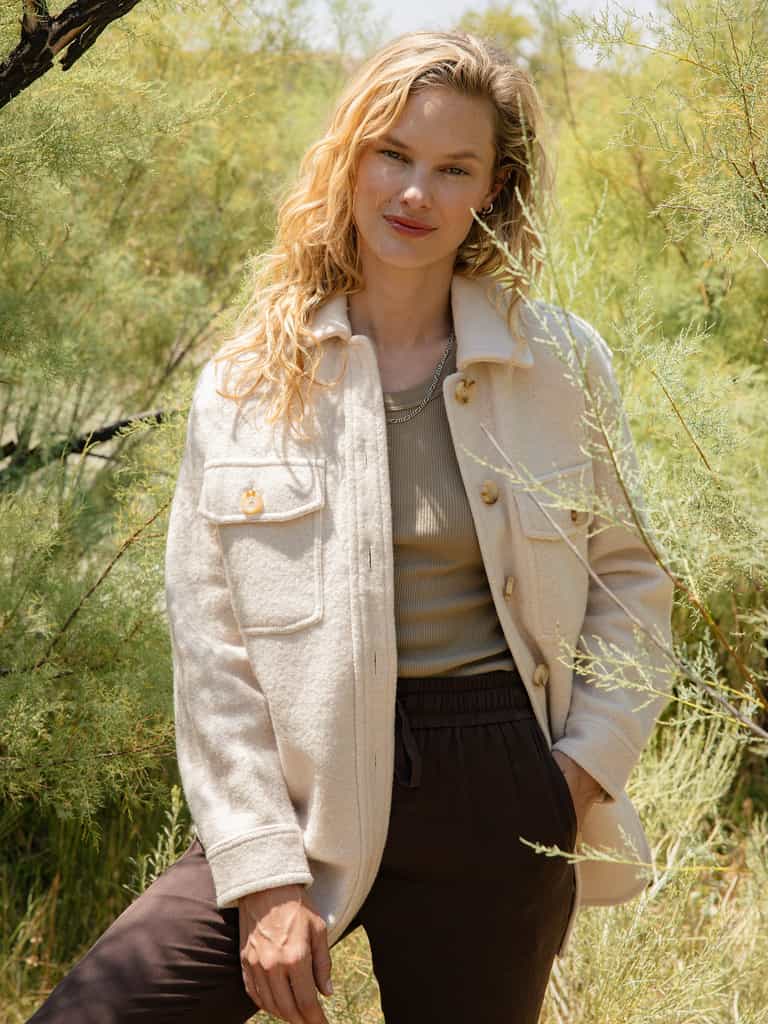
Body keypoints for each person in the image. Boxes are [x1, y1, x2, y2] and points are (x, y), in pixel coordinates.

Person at [27, 29, 675, 1024]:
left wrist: (577, 777)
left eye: (452, 167)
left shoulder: (562, 364)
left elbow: (631, 583)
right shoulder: (247, 381)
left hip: (501, 782)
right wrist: (262, 874)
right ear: (349, 158)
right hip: (304, 778)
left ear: (491, 188)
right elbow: (213, 650)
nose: (415, 192)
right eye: (393, 155)